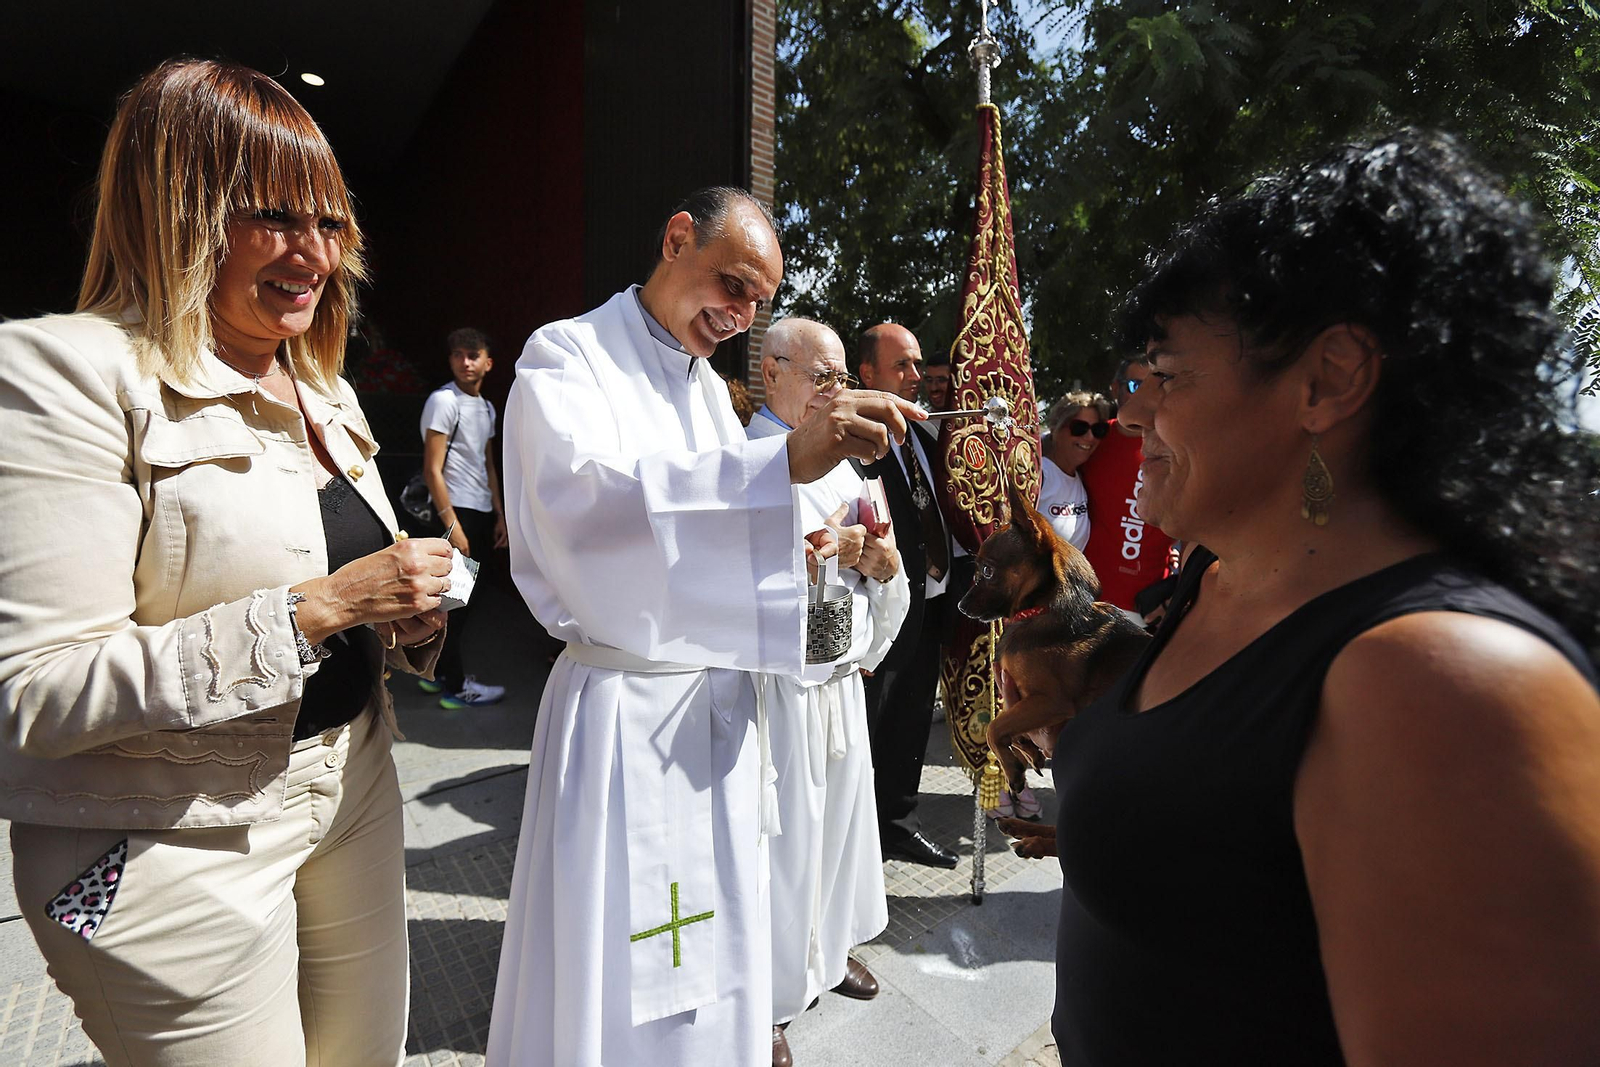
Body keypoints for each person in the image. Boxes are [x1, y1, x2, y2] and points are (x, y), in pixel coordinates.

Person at [1051, 129, 1600, 1067]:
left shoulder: (1443, 685)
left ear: (1328, 379)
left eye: (1163, 375)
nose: (1129, 413)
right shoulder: (1217, 578)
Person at [0, 59, 454, 1067]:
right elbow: (31, 693)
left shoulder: (320, 383)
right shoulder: (61, 375)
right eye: (277, 217)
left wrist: (407, 623)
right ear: (179, 208)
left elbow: (351, 581)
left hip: (356, 785)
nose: (315, 255)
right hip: (170, 840)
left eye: (330, 223)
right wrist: (318, 607)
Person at [487, 187, 924, 1067]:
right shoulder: (566, 357)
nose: (742, 315)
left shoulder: (699, 390)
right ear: (675, 238)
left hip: (714, 721)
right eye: (732, 284)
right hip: (622, 715)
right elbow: (586, 512)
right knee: (617, 966)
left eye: (760, 301)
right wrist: (785, 461)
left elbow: (728, 541)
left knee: (711, 942)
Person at [750, 318, 910, 1067]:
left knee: (841, 831)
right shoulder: (748, 456)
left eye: (844, 379)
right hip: (776, 688)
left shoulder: (847, 465)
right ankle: (769, 997)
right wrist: (827, 552)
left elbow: (881, 559)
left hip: (837, 677)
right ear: (772, 372)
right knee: (782, 844)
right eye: (824, 378)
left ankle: (827, 951)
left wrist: (875, 560)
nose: (837, 394)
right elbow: (730, 567)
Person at [852, 323, 962, 868]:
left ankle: (898, 824)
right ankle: (858, 845)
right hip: (881, 613)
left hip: (932, 602)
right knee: (870, 727)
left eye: (917, 365)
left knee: (913, 721)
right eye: (903, 366)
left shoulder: (920, 437)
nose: (916, 378)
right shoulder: (854, 443)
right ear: (867, 372)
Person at [418, 325, 508, 708]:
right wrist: (450, 523)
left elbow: (487, 463)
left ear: (488, 363)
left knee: (458, 602)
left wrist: (501, 515)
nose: (465, 362)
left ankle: (436, 674)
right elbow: (432, 469)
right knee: (455, 604)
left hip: (481, 513)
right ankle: (455, 687)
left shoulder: (486, 407)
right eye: (458, 355)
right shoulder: (444, 401)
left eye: (473, 355)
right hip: (455, 515)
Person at [1078, 360, 1176, 620]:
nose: (1145, 394)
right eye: (1135, 385)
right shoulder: (1091, 439)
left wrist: (1174, 598)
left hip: (1145, 611)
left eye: (1157, 384)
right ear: (1115, 388)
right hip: (1086, 601)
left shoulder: (1175, 447)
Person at [1037, 390, 1111, 551]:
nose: (1090, 437)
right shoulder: (1038, 475)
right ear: (1056, 427)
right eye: (1079, 428)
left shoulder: (1081, 478)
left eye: (1097, 430)